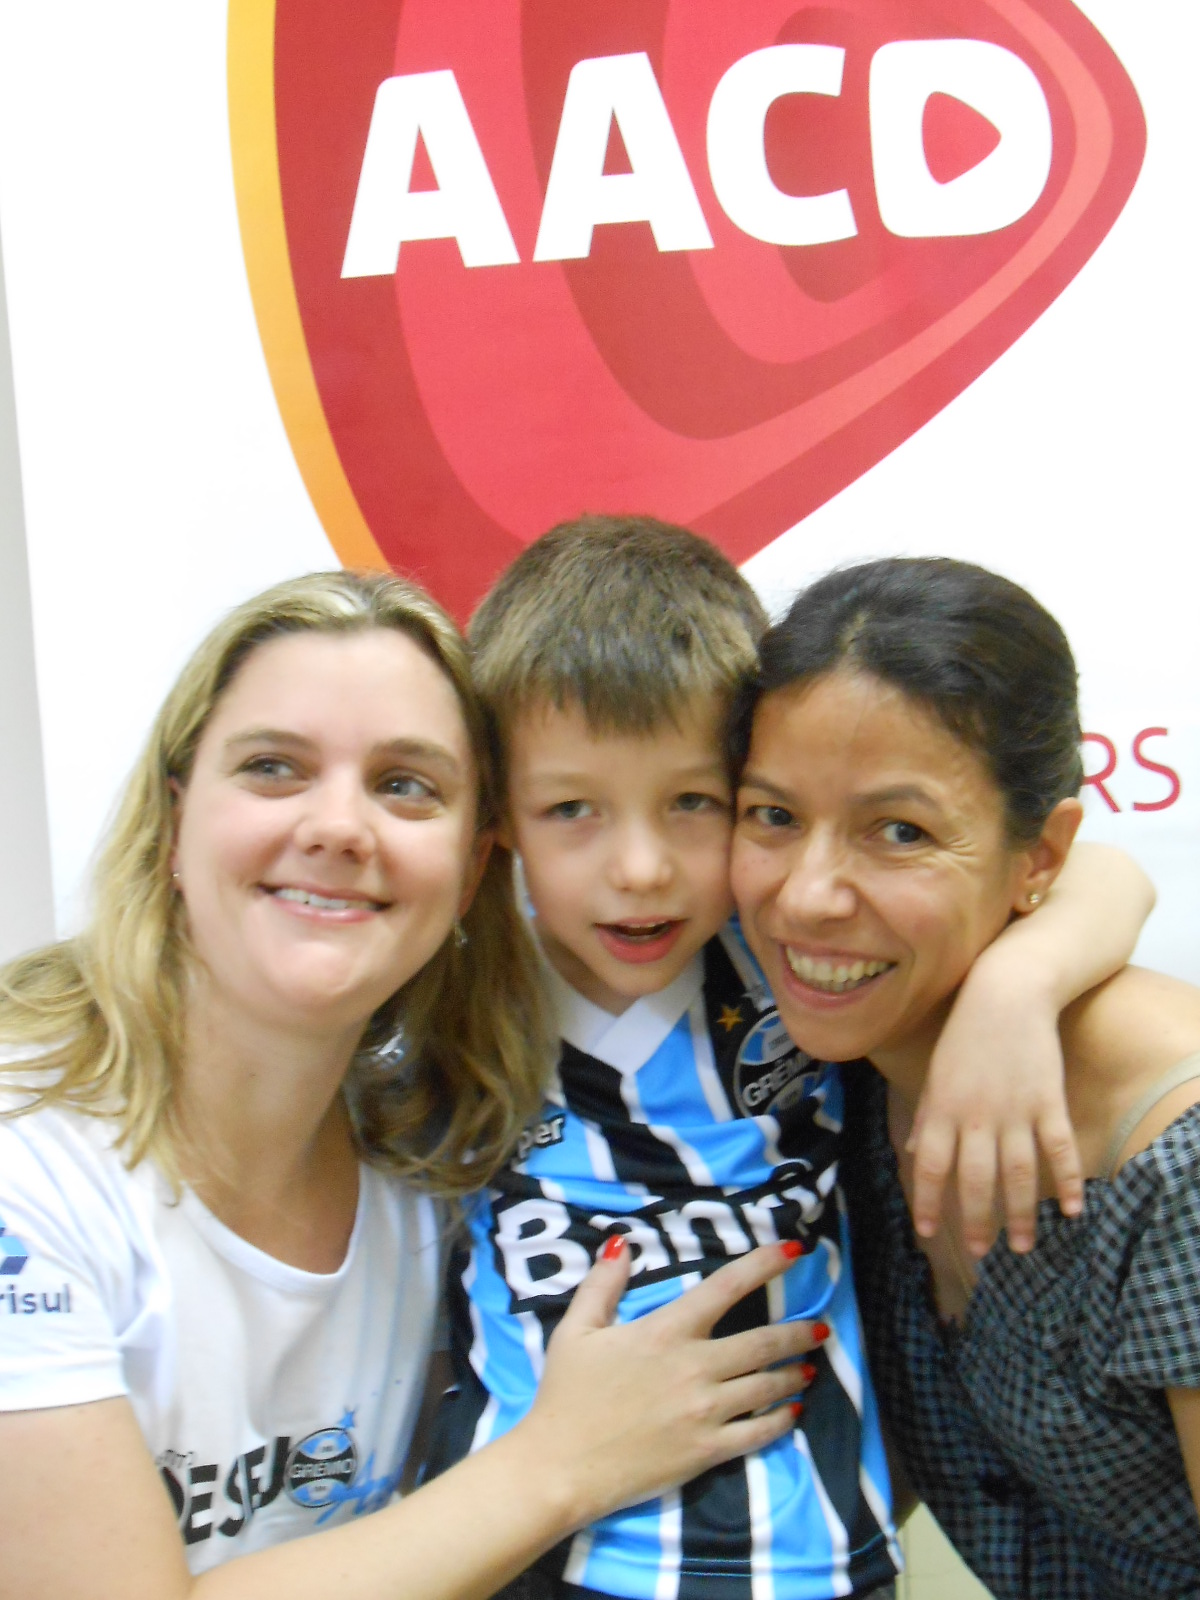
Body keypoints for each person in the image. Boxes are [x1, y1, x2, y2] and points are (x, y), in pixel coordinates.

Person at [0, 569, 826, 1600]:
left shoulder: (443, 1147)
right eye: (273, 767)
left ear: (477, 860)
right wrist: (558, 1463)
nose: (340, 827)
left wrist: (1037, 971)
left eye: (406, 785)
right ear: (176, 823)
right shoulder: (24, 1158)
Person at [424, 521, 1153, 1600]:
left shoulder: (789, 967)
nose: (638, 870)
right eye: (572, 808)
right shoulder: (455, 989)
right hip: (530, 1558)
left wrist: (1017, 987)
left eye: (693, 804)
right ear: (499, 823)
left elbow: (1105, 876)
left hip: (814, 1565)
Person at [730, 555, 1200, 1600]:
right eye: (770, 815)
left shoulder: (1177, 1167)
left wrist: (1017, 985)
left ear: (1040, 856)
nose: (807, 896)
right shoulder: (821, 1077)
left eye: (899, 832)